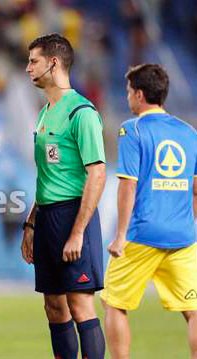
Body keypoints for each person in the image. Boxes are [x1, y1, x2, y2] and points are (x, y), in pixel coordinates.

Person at [101, 64, 197, 359]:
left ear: (139, 95)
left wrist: (119, 236)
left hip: (142, 234)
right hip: (183, 236)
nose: (128, 97)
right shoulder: (189, 132)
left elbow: (127, 186)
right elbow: (195, 188)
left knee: (114, 303)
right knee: (193, 310)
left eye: (129, 91)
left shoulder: (133, 129)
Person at [21, 33, 106, 359]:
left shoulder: (81, 112)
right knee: (54, 306)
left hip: (74, 216)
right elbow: (47, 177)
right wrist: (31, 224)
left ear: (53, 62)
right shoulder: (46, 112)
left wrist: (78, 232)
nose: (28, 68)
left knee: (81, 304)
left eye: (34, 61)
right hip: (47, 219)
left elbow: (97, 174)